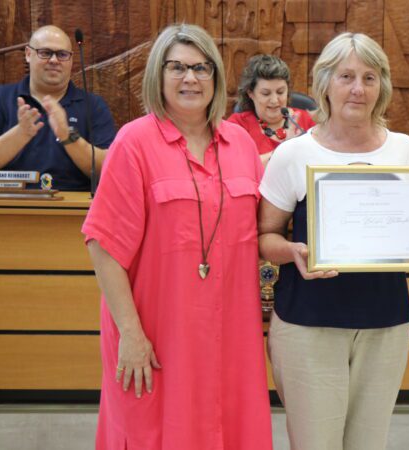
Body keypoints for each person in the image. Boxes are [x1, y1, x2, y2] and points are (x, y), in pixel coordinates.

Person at [81, 23, 272, 449]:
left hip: (231, 337)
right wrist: (130, 333)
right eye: (177, 68)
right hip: (156, 337)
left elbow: (270, 225)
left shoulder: (240, 143)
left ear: (216, 77)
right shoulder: (133, 143)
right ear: (158, 75)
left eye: (201, 67)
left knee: (231, 430)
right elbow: (104, 245)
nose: (190, 78)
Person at [258, 32, 409, 450]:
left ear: (382, 86)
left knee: (369, 443)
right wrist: (292, 251)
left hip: (386, 322)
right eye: (346, 76)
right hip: (310, 324)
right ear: (325, 82)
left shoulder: (406, 150)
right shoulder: (294, 154)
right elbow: (264, 237)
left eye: (369, 77)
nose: (358, 89)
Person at [0, 25, 116, 191]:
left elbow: (110, 169)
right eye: (45, 53)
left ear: (71, 60)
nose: (54, 60)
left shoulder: (93, 105)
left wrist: (67, 135)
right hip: (10, 208)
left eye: (62, 54)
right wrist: (20, 134)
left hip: (73, 210)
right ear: (28, 54)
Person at [228, 54, 316, 165]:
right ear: (251, 93)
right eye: (266, 93)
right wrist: (284, 151)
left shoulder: (305, 120)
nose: (274, 100)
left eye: (280, 92)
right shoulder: (237, 125)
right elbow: (236, 168)